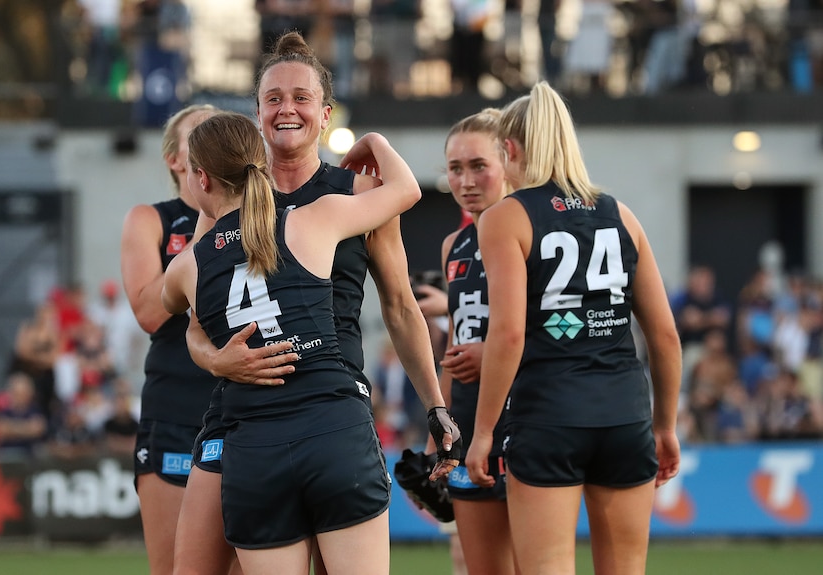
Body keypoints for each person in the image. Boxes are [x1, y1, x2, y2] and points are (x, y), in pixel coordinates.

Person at [174, 32, 459, 575]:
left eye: (301, 97)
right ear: (257, 113)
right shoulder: (223, 204)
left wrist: (436, 405)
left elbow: (400, 307)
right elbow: (192, 321)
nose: (287, 108)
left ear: (325, 114)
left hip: (329, 408)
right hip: (241, 414)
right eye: (274, 98)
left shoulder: (355, 194)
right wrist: (216, 360)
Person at [465, 81, 682, 575]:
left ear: (511, 149)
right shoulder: (621, 215)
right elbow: (665, 337)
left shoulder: (506, 217)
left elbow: (509, 335)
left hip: (549, 417)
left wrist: (481, 433)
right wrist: (664, 425)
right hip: (625, 416)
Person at [119, 103, 223, 575]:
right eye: (198, 134)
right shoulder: (152, 219)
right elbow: (146, 312)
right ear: (175, 160)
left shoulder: (259, 218)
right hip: (177, 408)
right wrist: (209, 233)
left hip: (247, 409)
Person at [438, 109, 518, 575]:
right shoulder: (455, 245)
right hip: (468, 421)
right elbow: (455, 337)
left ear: (506, 161)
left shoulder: (530, 228)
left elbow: (558, 327)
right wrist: (441, 422)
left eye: (477, 166)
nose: (466, 181)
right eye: (454, 168)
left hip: (526, 416)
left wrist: (493, 352)